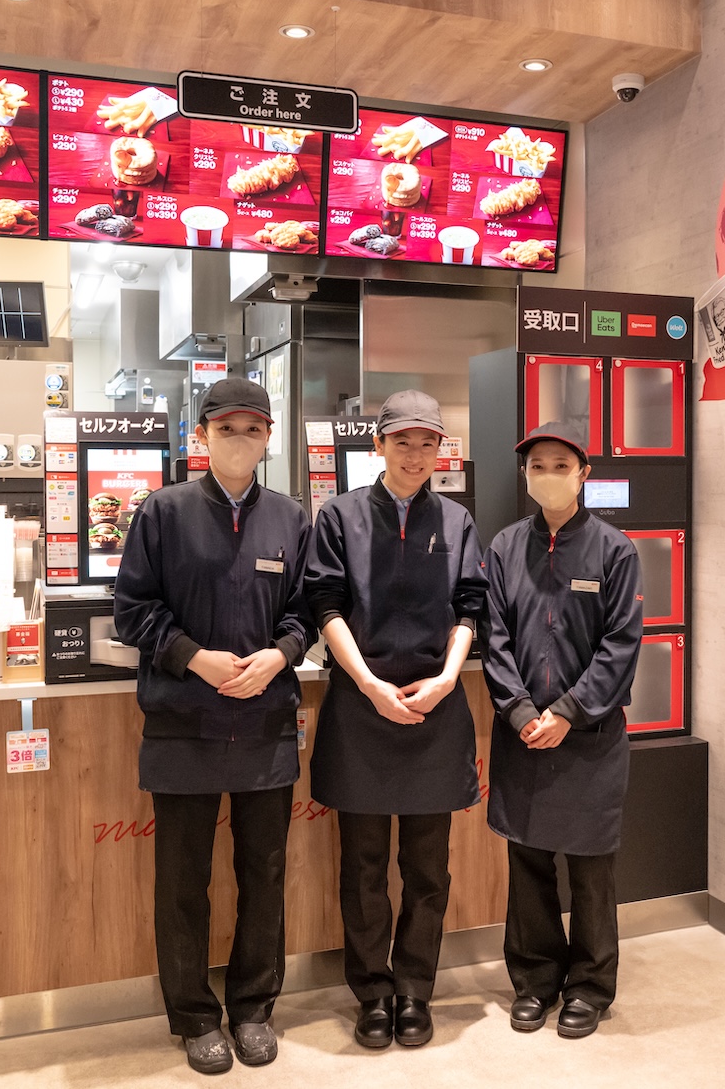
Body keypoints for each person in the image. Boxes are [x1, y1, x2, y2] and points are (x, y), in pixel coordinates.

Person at [114, 377, 314, 1076]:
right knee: (182, 882)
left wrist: (279, 655)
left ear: (269, 438)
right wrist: (194, 658)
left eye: (253, 428)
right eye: (226, 427)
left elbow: (307, 609)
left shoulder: (290, 518)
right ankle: (195, 1016)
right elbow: (133, 609)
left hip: (264, 723)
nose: (240, 439)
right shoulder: (162, 512)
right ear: (201, 436)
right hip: (183, 723)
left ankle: (254, 1007)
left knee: (264, 873)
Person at [303, 390, 487, 1050]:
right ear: (377, 444)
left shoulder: (456, 520)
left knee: (428, 869)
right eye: (402, 441)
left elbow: (471, 605)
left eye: (427, 442)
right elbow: (325, 603)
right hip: (361, 708)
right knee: (363, 867)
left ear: (442, 449)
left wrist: (446, 678)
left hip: (435, 710)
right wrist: (369, 683)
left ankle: (415, 990)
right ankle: (372, 994)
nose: (415, 454)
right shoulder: (340, 515)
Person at [481, 422, 644, 1039]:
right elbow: (495, 637)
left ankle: (590, 987)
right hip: (523, 735)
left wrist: (570, 712)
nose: (547, 476)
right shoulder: (504, 548)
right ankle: (535, 980)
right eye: (537, 467)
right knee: (527, 864)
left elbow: (621, 644)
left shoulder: (615, 551)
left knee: (591, 870)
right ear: (525, 476)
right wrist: (522, 712)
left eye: (559, 466)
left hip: (589, 739)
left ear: (583, 476)